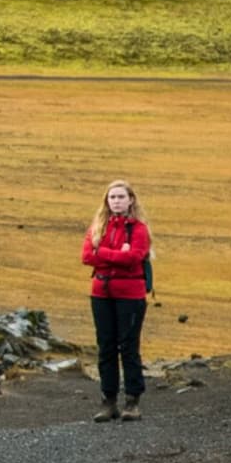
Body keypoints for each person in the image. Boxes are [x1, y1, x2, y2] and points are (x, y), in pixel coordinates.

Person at [81, 180, 153, 421]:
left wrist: (102, 253)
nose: (116, 201)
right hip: (101, 293)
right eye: (112, 197)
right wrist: (117, 255)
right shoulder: (98, 227)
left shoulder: (139, 229)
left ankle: (133, 401)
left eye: (121, 197)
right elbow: (86, 256)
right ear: (107, 201)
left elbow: (134, 257)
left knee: (129, 346)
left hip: (130, 295)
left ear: (131, 200)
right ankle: (108, 401)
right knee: (106, 347)